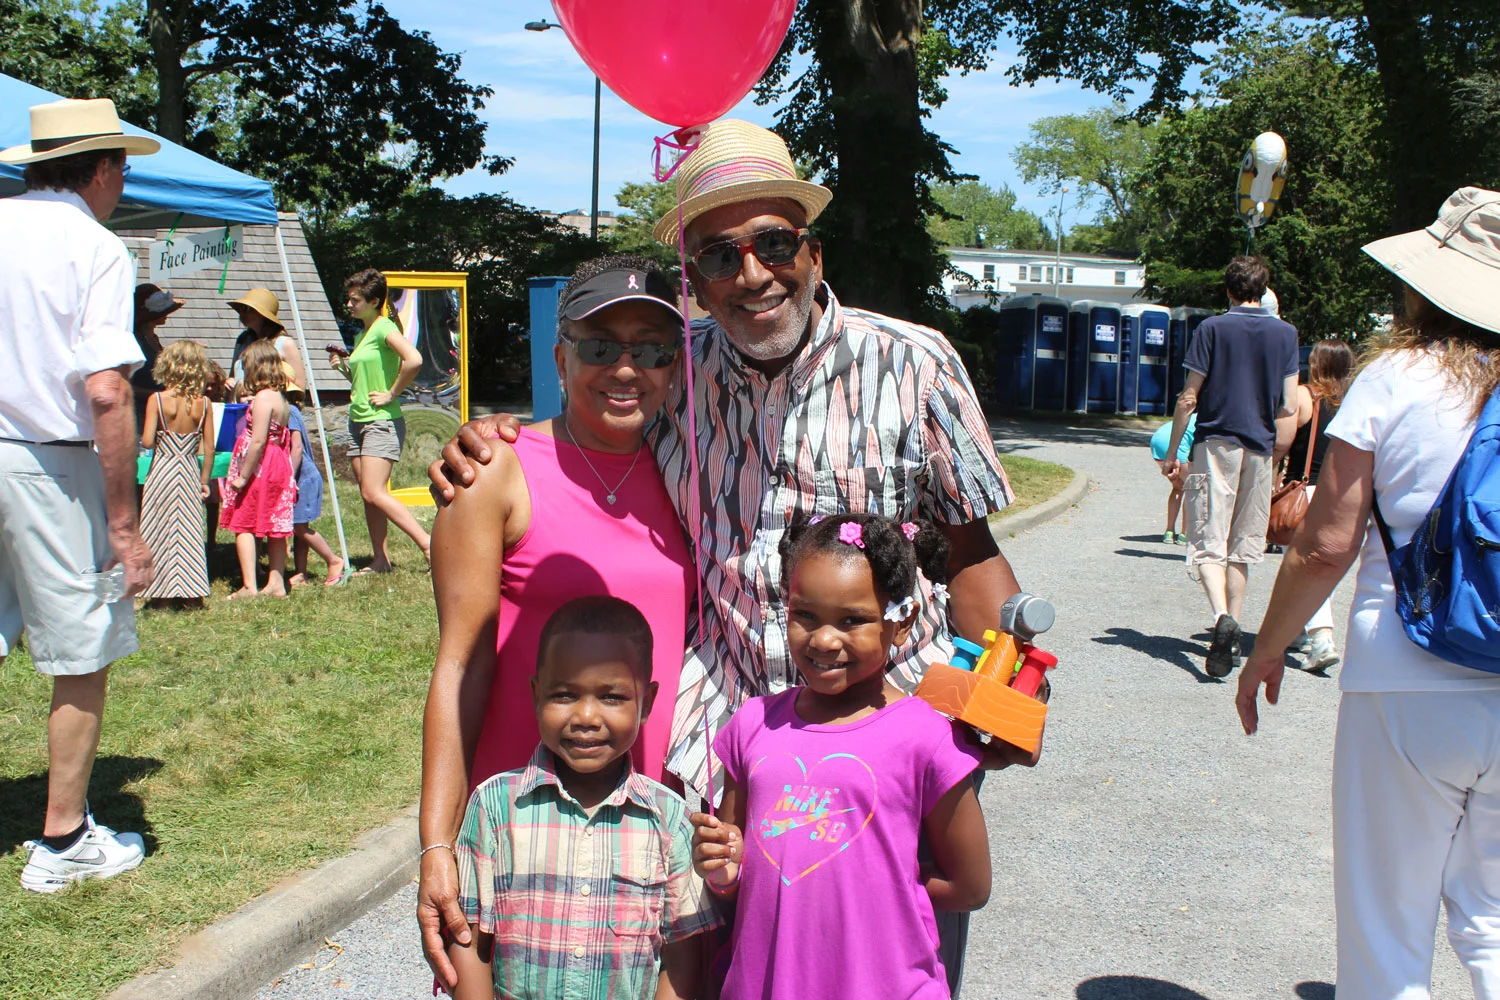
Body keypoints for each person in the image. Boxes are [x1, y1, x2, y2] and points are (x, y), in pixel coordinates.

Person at [429, 119, 1024, 997]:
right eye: (718, 255)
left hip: (886, 772)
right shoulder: (679, 374)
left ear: (811, 252)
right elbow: (593, 426)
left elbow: (973, 556)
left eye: (773, 244)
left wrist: (1006, 700)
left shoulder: (916, 365)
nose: (751, 275)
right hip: (738, 776)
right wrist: (486, 439)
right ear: (694, 279)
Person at [1238, 186, 1500, 999]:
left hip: (1407, 678)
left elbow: (1326, 544)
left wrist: (1269, 647)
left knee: (1387, 921)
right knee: (1493, 914)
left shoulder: (1396, 380)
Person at [420, 256, 695, 995]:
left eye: (652, 348)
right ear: (560, 354)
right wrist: (437, 845)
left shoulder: (691, 474)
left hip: (642, 844)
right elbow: (459, 667)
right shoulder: (497, 471)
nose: (627, 368)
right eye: (602, 345)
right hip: (520, 840)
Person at [693, 513, 990, 999]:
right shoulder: (753, 725)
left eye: (852, 620)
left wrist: (882, 885)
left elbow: (970, 885)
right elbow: (738, 860)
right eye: (805, 615)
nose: (825, 640)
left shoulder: (924, 736)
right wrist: (724, 866)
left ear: (901, 622)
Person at [1, 97, 158, 892]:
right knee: (82, 649)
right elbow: (106, 391)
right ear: (99, 169)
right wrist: (125, 526)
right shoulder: (94, 246)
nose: (122, 184)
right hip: (48, 463)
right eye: (123, 168)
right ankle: (62, 842)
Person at [445, 595, 721, 1000]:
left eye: (612, 697)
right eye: (564, 695)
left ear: (647, 704)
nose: (587, 717)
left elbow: (680, 960)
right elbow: (468, 942)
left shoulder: (670, 819)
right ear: (536, 695)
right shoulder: (494, 806)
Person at [1165, 255, 1299, 678]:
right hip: (1260, 449)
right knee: (1244, 543)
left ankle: (1222, 616)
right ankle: (1234, 629)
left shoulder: (1212, 329)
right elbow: (1290, 404)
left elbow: (1189, 396)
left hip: (1216, 443)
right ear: (1263, 290)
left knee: (1207, 537)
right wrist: (1276, 456)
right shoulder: (1286, 334)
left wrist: (1174, 453)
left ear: (1228, 290)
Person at [329, 268, 429, 572]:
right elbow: (364, 379)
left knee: (374, 491)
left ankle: (429, 544)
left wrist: (392, 393)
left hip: (381, 421)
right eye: (349, 299)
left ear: (374, 301)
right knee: (368, 496)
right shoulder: (362, 334)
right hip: (358, 421)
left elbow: (414, 360)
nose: (349, 304)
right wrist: (343, 368)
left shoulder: (385, 327)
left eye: (355, 299)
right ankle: (380, 560)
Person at [1275, 338, 1355, 673]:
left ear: (1316, 363)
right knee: (1317, 565)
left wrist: (1271, 478)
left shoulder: (1306, 397)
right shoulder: (1354, 401)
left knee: (1306, 567)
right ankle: (1295, 632)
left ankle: (1322, 638)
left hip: (1304, 492)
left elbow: (1283, 441)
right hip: (1343, 496)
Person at [220, 341, 300, 599]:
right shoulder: (280, 398)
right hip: (279, 463)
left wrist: (243, 476)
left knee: (243, 522)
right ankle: (276, 582)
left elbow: (258, 440)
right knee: (275, 523)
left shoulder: (264, 398)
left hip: (262, 466)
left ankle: (249, 585)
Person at [139, 341, 215, 608]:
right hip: (188, 471)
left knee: (158, 528)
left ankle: (160, 595)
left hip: (162, 469)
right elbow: (209, 449)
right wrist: (204, 481)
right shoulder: (204, 403)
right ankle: (192, 593)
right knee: (189, 532)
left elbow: (148, 441)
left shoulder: (157, 400)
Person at [284, 406, 345, 587]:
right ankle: (301, 573)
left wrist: (290, 477)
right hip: (297, 478)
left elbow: (297, 446)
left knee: (299, 527)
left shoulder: (288, 411)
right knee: (299, 526)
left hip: (303, 478)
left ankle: (333, 560)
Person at [227, 288, 306, 400]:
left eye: (246, 308)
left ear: (262, 314)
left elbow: (299, 387)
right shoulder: (243, 340)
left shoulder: (284, 343)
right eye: (240, 308)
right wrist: (229, 381)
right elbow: (234, 376)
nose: (241, 312)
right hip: (241, 410)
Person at [131, 283, 184, 427]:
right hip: (138, 412)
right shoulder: (135, 341)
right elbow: (128, 385)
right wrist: (158, 394)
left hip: (156, 408)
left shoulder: (153, 338)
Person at [1149, 412, 1196, 544]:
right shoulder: (1206, 421)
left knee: (1178, 487)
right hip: (1175, 446)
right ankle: (1185, 534)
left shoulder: (1193, 417)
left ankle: (1169, 532)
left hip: (1157, 443)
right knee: (1191, 488)